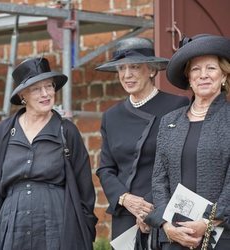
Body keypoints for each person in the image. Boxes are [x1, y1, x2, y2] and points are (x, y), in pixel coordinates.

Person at [0, 57, 97, 250]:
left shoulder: (66, 130)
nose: (45, 94)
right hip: (12, 227)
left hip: (58, 225)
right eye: (36, 89)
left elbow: (85, 188)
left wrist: (83, 230)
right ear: (23, 96)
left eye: (49, 86)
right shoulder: (3, 131)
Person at [95, 37, 189, 249]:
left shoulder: (177, 106)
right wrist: (125, 198)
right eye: (121, 68)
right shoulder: (111, 116)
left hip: (164, 210)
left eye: (135, 67)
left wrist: (148, 208)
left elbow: (179, 164)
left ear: (152, 70)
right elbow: (106, 169)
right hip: (125, 214)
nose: (127, 75)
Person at [145, 34, 230, 250]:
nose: (203, 75)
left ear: (224, 76)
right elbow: (159, 179)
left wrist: (208, 222)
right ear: (189, 79)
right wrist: (165, 223)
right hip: (174, 235)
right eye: (195, 70)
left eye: (211, 68)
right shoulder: (170, 121)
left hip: (220, 236)